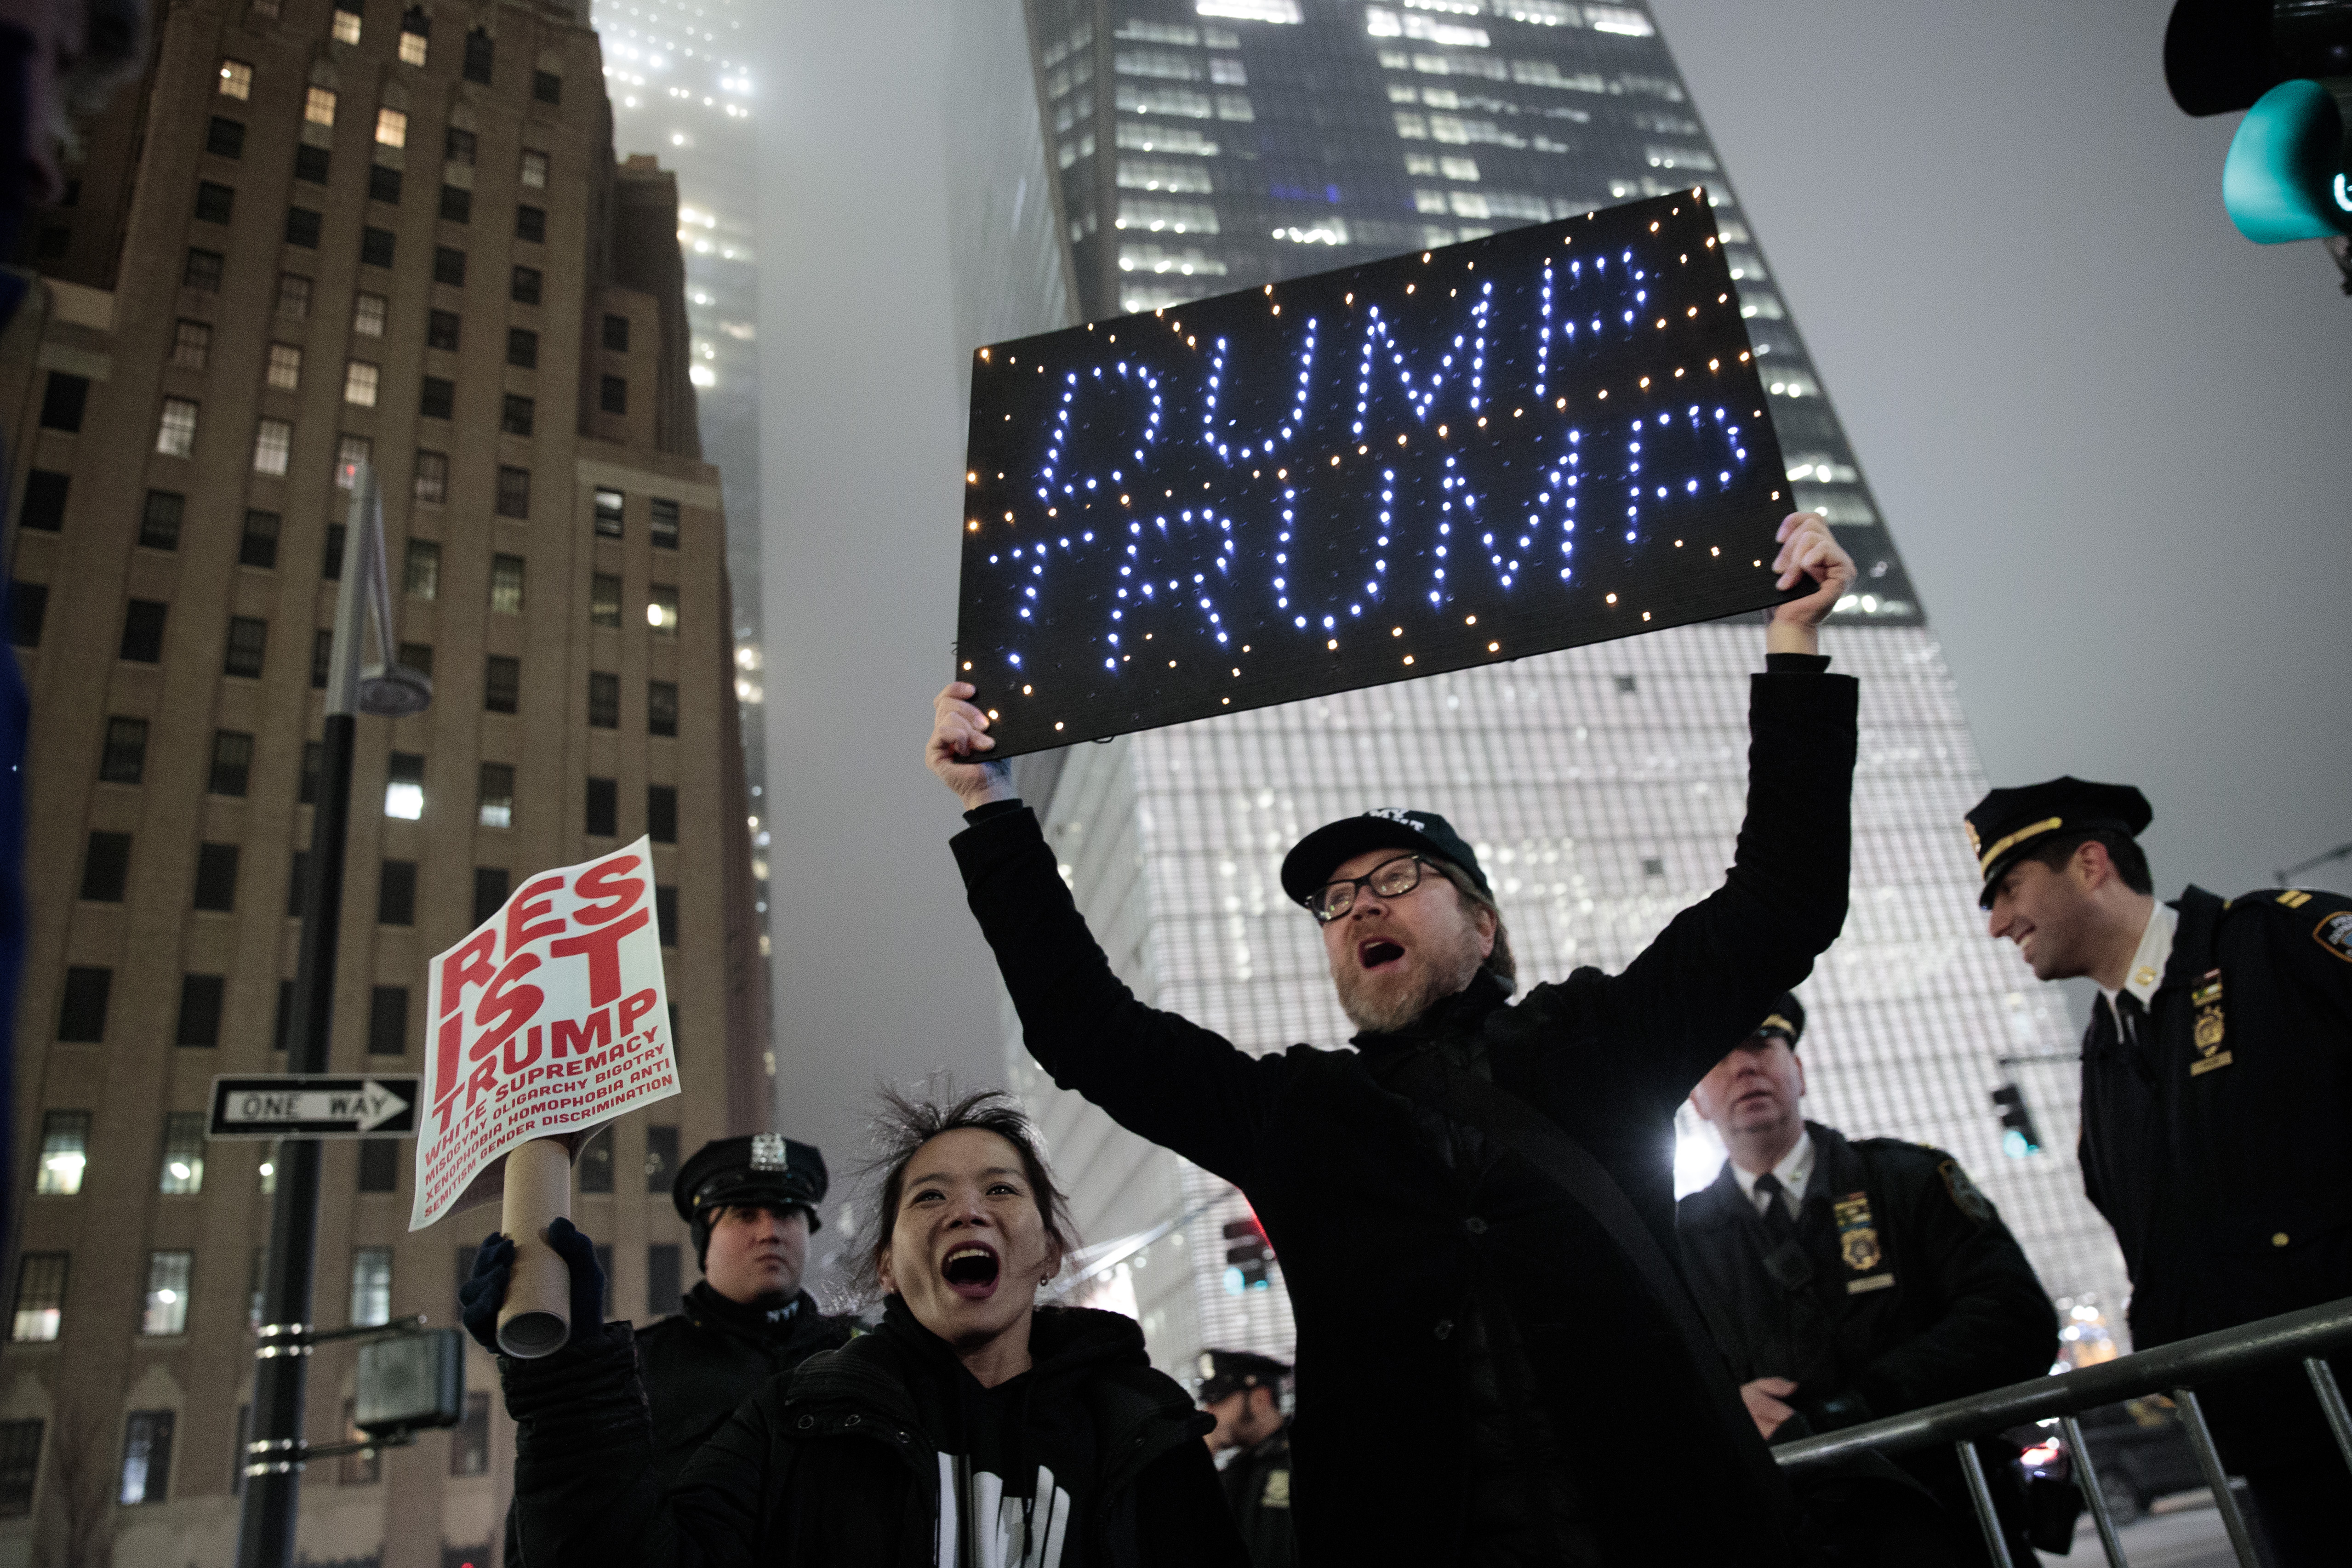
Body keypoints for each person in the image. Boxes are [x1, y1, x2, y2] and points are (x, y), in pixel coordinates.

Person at [928, 514, 1860, 1565]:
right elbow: (1086, 1029)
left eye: (1394, 880)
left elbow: (1783, 901)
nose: (1359, 906)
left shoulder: (1600, 1037)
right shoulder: (1292, 1113)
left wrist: (1792, 645)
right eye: (1333, 900)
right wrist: (991, 810)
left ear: (1482, 923)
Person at [470, 1088, 1247, 1568]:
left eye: (1002, 1188)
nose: (969, 1211)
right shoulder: (795, 1420)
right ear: (884, 1266)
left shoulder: (1147, 1427)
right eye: (929, 1197)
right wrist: (568, 1387)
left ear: (1050, 1251)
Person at [1970, 777, 2352, 1568]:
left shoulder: (2271, 944)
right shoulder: (2104, 1060)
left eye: (2010, 888)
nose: (2000, 923)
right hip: (2277, 1449)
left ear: (2089, 864)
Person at [1678, 994, 2059, 1565]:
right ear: (1697, 1103)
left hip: (1943, 1518)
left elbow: (2014, 1318)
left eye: (1761, 1044)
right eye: (1717, 1057)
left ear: (1798, 1071)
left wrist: (1861, 1409)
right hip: (1795, 1536)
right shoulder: (1678, 1239)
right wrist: (1721, 1410)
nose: (1743, 1067)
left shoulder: (1909, 1182)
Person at [480, 1134, 857, 1564]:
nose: (769, 1232)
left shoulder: (862, 1357)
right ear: (703, 1238)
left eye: (788, 1213)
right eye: (745, 1214)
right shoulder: (631, 1371)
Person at [1196, 1350, 1294, 1568]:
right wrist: (1200, 1459)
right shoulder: (1241, 1467)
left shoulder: (1291, 1462)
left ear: (1260, 1399)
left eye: (1219, 1401)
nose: (1209, 1411)